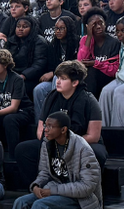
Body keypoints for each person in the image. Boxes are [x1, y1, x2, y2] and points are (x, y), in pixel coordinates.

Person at [15, 60, 105, 188]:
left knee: (97, 153)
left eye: (63, 79)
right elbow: (41, 129)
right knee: (23, 149)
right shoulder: (51, 97)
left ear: (75, 82)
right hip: (53, 141)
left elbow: (93, 136)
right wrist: (54, 143)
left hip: (80, 142)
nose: (57, 81)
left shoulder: (89, 100)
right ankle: (38, 188)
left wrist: (67, 144)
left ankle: (83, 190)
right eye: (58, 78)